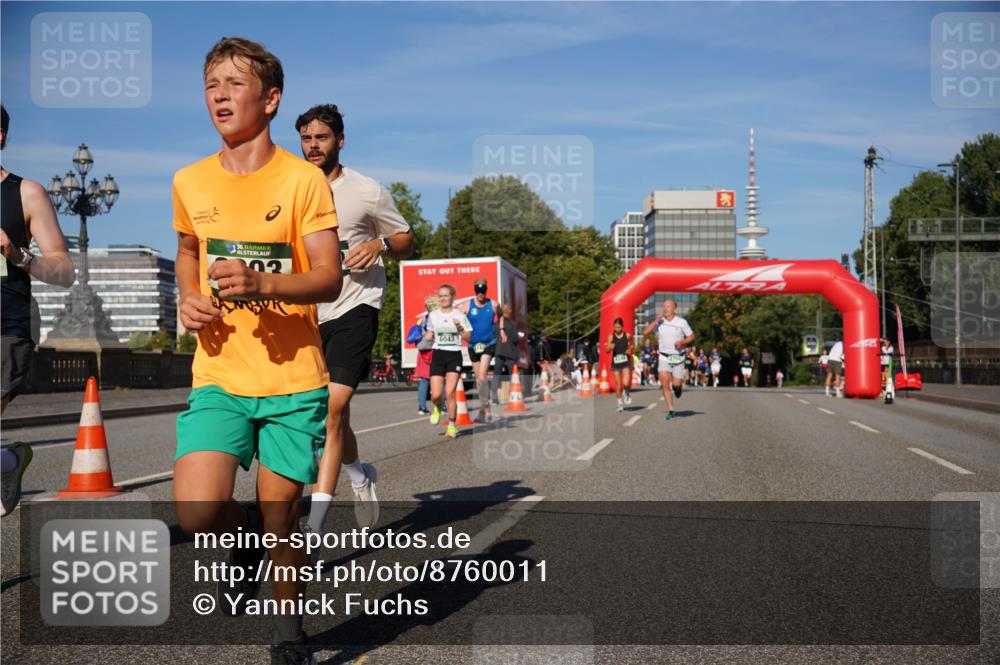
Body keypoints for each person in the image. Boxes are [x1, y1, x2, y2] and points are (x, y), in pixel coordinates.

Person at [170, 38, 341, 663]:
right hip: (218, 369)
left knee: (281, 519)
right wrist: (187, 298)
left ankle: (288, 632)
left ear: (270, 101)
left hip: (293, 379)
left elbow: (328, 275)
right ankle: (241, 543)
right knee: (196, 508)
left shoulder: (302, 181)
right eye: (212, 82)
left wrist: (263, 281)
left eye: (235, 83)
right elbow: (190, 252)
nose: (219, 93)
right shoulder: (189, 181)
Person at [295, 103, 413, 538]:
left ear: (339, 141)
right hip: (306, 313)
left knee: (332, 407)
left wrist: (380, 243)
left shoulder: (367, 190)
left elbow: (406, 239)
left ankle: (316, 529)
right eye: (306, 138)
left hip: (356, 305)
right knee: (331, 420)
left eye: (321, 138)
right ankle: (360, 476)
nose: (313, 146)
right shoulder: (289, 186)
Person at [0, 104, 76, 518]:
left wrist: (17, 254)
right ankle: (7, 462)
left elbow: (64, 271)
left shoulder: (25, 193)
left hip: (6, 328)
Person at [425, 284, 471, 438]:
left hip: (454, 354)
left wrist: (459, 327)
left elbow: (468, 338)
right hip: (438, 354)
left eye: (446, 295)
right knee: (436, 394)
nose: (444, 298)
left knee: (450, 392)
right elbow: (430, 331)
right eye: (441, 296)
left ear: (452, 297)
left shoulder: (460, 315)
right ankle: (437, 407)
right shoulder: (433, 315)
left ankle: (452, 425)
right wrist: (428, 336)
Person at [643, 299, 695, 420]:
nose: (665, 309)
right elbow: (645, 332)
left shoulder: (682, 322)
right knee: (665, 383)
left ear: (674, 309)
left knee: (676, 384)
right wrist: (656, 320)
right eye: (664, 306)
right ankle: (671, 410)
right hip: (664, 357)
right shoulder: (660, 322)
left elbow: (691, 336)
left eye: (668, 306)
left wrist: (682, 341)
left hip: (678, 356)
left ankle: (678, 388)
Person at [460, 278, 496, 422]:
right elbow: (457, 317)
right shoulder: (467, 305)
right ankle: (483, 410)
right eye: (478, 291)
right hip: (472, 345)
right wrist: (461, 331)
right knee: (478, 380)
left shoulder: (492, 304)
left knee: (482, 376)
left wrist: (501, 330)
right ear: (474, 290)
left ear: (486, 290)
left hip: (488, 343)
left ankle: (486, 408)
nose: (480, 294)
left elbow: (500, 316)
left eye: (483, 291)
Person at [492, 303, 519, 405]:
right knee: (513, 375)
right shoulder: (512, 324)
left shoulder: (497, 323)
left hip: (499, 352)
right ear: (506, 311)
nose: (511, 311)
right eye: (510, 309)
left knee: (496, 375)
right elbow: (515, 339)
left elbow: (494, 337)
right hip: (510, 352)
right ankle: (513, 396)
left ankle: (494, 398)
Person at [605, 317, 633, 411]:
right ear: (613, 327)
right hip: (616, 363)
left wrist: (630, 349)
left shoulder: (627, 335)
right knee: (618, 384)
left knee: (625, 383)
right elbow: (607, 350)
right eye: (615, 327)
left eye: (619, 327)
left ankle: (627, 391)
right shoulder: (611, 336)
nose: (617, 329)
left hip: (625, 361)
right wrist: (610, 347)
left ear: (622, 327)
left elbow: (632, 344)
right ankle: (619, 404)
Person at [415, 294, 436, 415]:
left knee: (424, 380)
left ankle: (422, 407)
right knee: (438, 378)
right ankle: (442, 407)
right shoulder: (437, 318)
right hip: (434, 350)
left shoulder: (422, 319)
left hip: (423, 351)